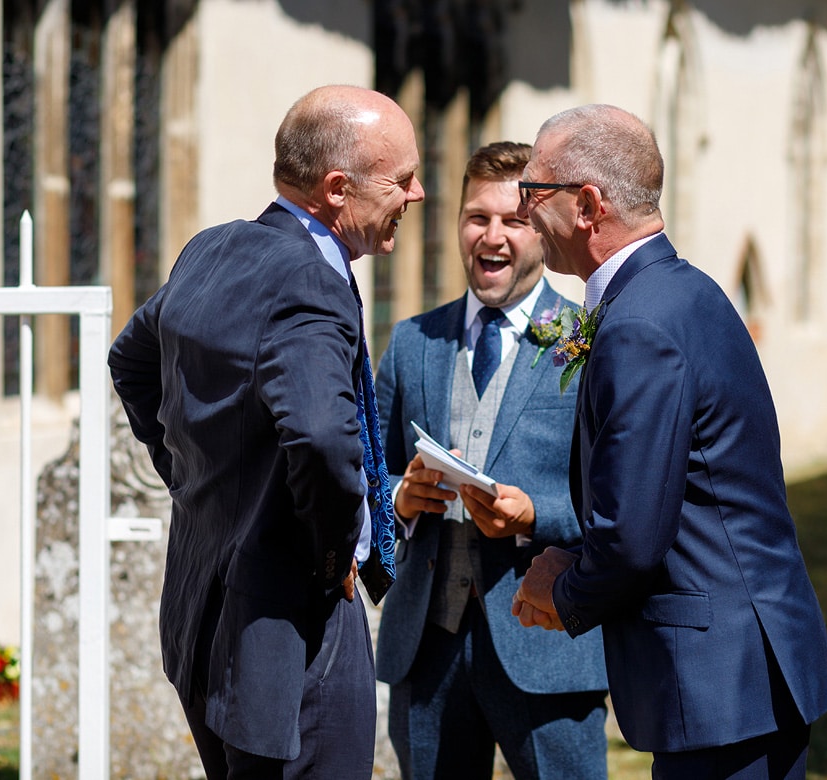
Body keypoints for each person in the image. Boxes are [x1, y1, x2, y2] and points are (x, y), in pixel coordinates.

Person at [510, 104, 827, 779]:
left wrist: (563, 588)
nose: (521, 212)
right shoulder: (683, 291)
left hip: (720, 680)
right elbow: (683, 493)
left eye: (531, 192)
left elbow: (632, 535)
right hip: (741, 669)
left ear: (588, 204)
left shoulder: (639, 324)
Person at [108, 84, 424, 779]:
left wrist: (196, 480)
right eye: (402, 180)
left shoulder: (214, 249)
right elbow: (319, 437)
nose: (418, 193)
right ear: (338, 189)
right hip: (291, 625)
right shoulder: (308, 281)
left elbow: (129, 360)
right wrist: (330, 553)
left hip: (204, 611)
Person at [375, 141, 609, 780]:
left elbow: (623, 501)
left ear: (543, 229)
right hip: (426, 645)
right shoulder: (411, 341)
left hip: (549, 642)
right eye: (478, 217)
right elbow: (367, 472)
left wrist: (536, 513)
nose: (493, 236)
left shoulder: (590, 342)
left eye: (514, 220)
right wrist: (398, 495)